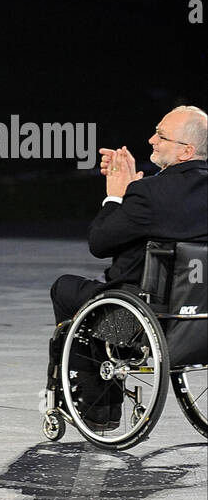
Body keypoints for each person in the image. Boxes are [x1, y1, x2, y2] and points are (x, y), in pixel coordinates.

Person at [49, 105, 207, 427]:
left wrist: (116, 197)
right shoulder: (154, 192)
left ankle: (99, 408)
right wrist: (137, 190)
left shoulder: (149, 195)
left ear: (185, 151)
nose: (151, 140)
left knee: (66, 289)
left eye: (161, 136)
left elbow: (100, 243)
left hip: (138, 326)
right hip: (202, 322)